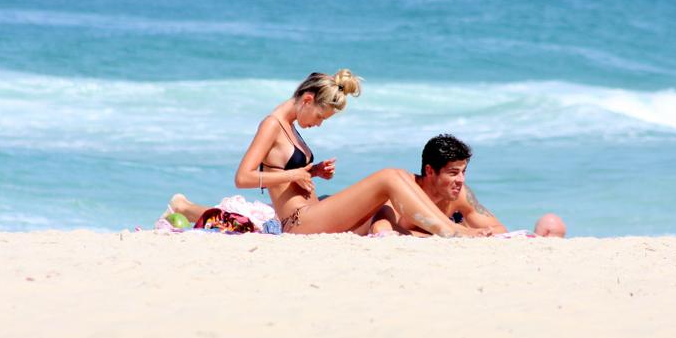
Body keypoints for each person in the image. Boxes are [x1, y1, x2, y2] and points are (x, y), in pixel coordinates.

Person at [169, 70, 493, 237]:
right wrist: (296, 173)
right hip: (299, 223)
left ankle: (444, 231)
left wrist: (312, 171)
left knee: (386, 206)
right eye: (321, 117)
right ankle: (452, 231)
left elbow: (284, 175)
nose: (319, 125)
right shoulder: (271, 125)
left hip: (313, 213)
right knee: (388, 177)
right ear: (307, 99)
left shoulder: (290, 127)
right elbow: (243, 177)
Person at [368, 134, 566, 237]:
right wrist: (444, 233)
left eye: (464, 172)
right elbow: (383, 231)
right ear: (429, 171)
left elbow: (499, 230)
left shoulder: (459, 194)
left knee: (553, 223)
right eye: (453, 173)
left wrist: (471, 232)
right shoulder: (405, 191)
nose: (461, 180)